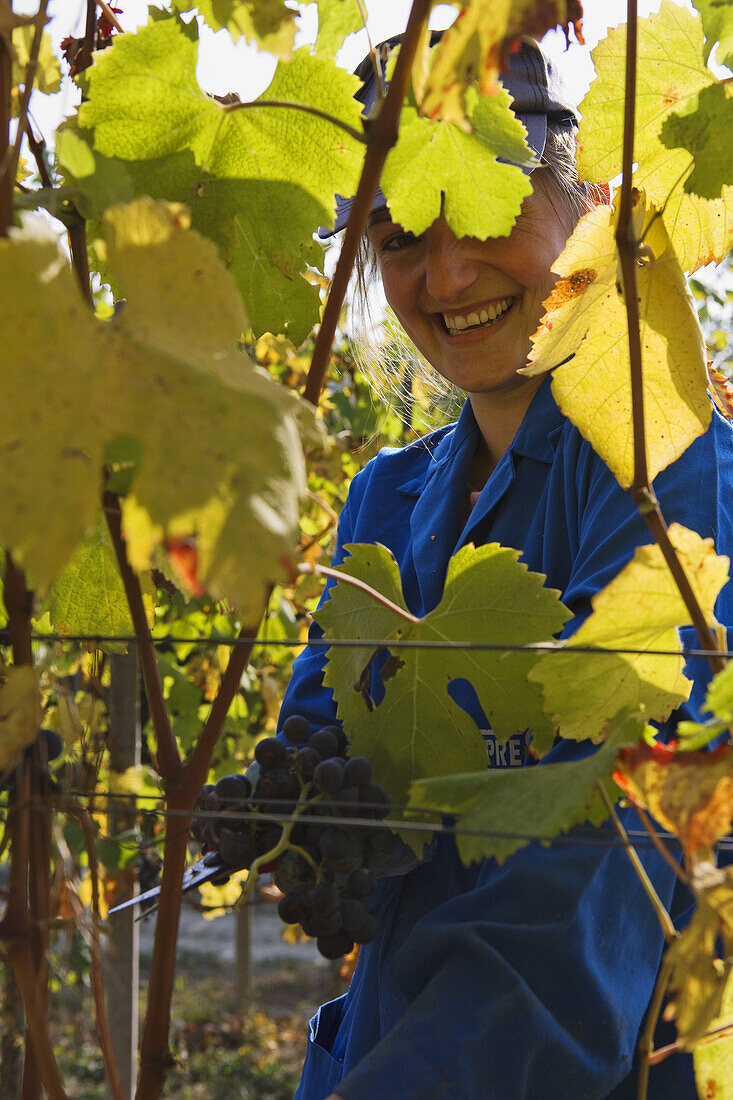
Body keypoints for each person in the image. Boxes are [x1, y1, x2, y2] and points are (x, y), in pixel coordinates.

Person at [274, 36, 733, 1100]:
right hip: (386, 1037)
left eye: (483, 212)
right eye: (395, 235)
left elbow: (606, 864)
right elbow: (320, 775)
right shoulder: (381, 500)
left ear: (592, 200)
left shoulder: (674, 480)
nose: (444, 274)